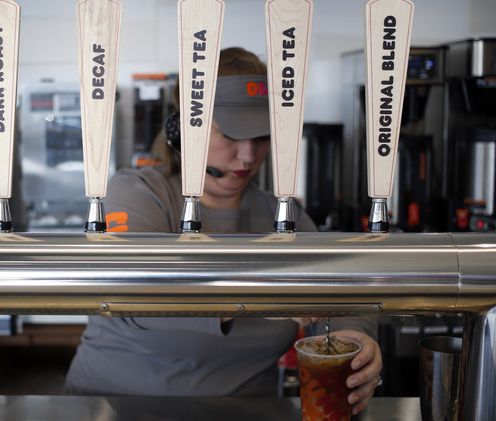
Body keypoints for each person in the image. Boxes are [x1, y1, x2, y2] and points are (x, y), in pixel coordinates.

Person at [65, 47, 382, 415]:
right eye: (231, 135)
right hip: (113, 406)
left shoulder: (281, 217)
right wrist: (257, 292)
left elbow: (342, 294)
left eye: (262, 137)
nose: (248, 156)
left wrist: (357, 337)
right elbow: (131, 288)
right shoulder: (138, 192)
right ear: (186, 129)